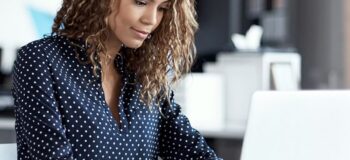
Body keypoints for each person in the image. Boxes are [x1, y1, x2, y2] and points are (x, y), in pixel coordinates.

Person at [12, 0, 222, 159]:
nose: (151, 19)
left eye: (162, 8)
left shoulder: (145, 74)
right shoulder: (39, 60)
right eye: (141, 2)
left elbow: (193, 152)